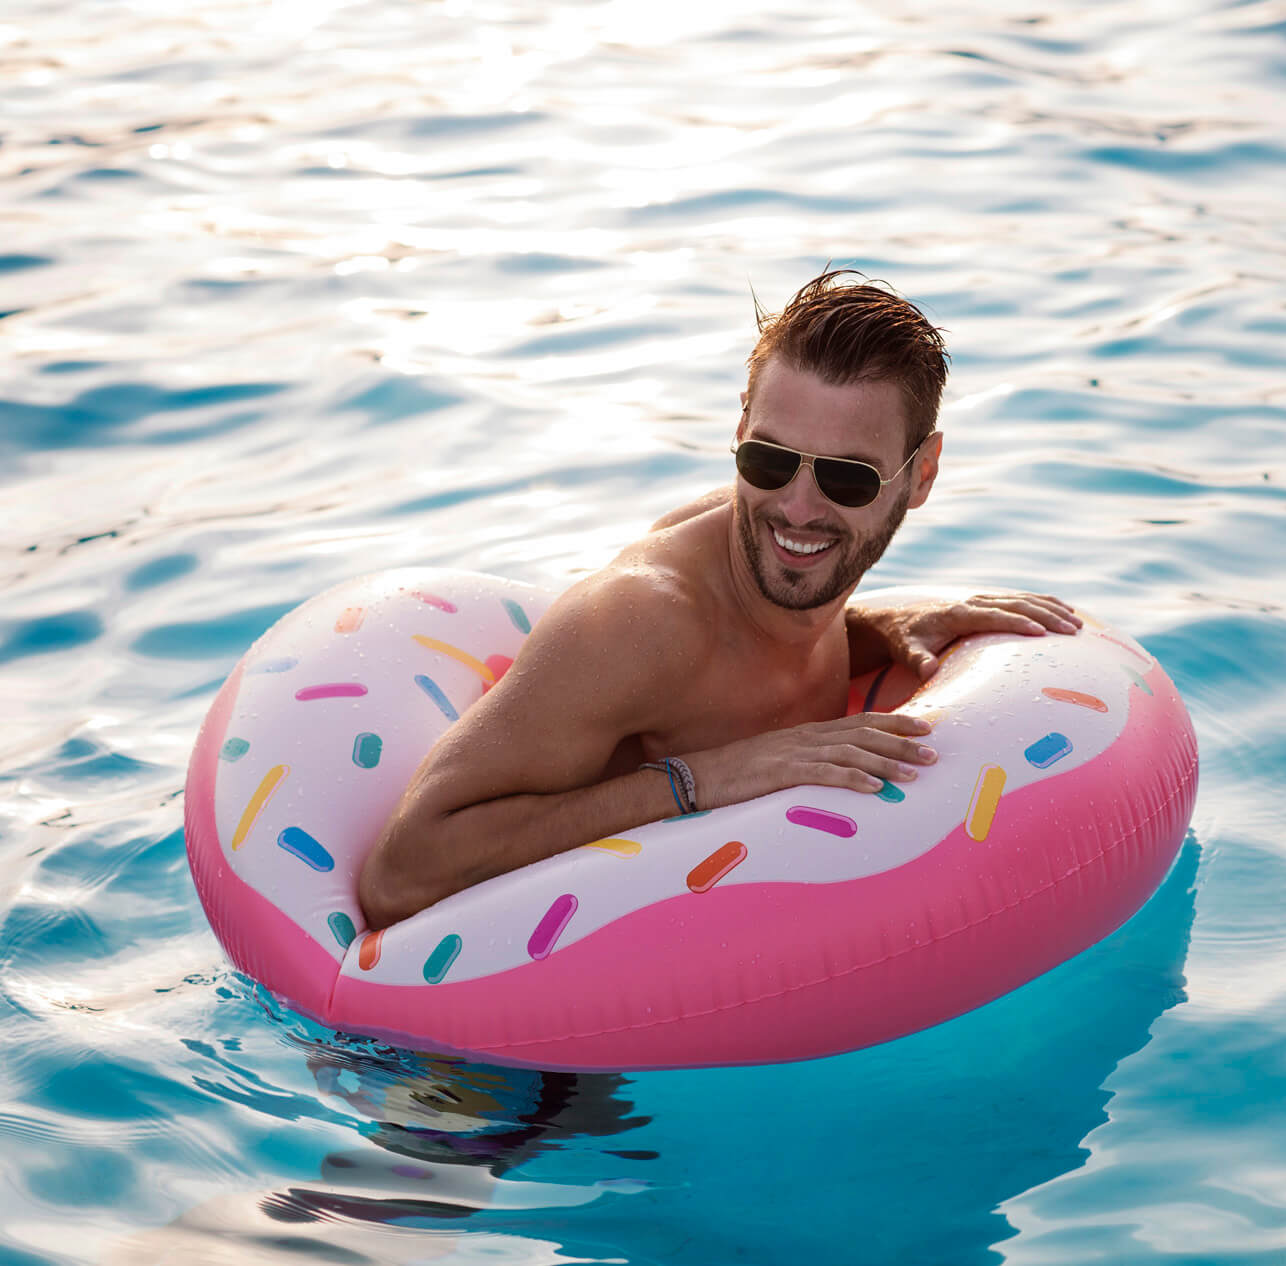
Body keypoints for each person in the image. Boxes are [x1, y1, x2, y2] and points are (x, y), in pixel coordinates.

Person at [358, 271, 1079, 931]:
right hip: (487, 1056)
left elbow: (753, 654)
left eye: (846, 479)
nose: (796, 508)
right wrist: (703, 778)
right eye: (767, 460)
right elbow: (401, 873)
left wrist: (880, 625)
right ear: (739, 429)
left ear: (920, 475)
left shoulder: (788, 587)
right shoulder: (639, 623)